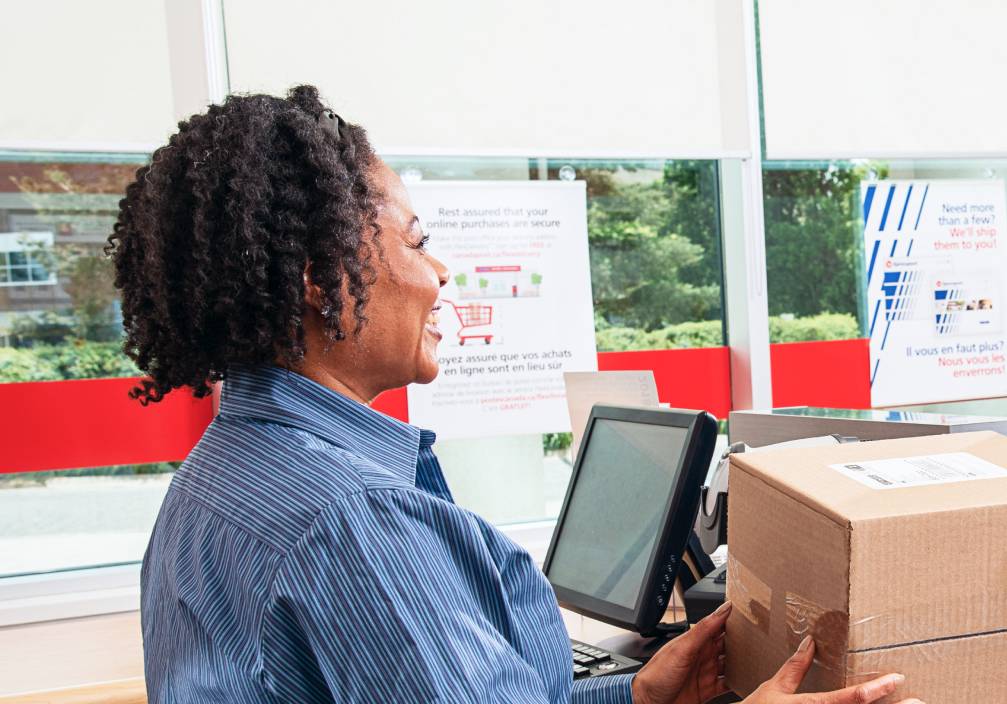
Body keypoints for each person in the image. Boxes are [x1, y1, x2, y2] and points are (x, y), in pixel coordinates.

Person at [111, 85, 918, 704]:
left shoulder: (210, 482)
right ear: (323, 284)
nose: (439, 274)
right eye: (418, 243)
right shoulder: (350, 521)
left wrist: (634, 691)